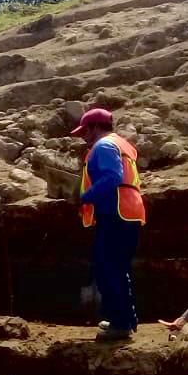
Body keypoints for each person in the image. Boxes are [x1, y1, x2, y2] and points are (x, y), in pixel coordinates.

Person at [72, 108, 146, 341]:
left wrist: (84, 197)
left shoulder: (103, 146)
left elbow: (112, 177)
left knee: (107, 269)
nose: (84, 136)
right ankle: (123, 319)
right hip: (128, 213)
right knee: (118, 268)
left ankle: (120, 324)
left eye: (85, 131)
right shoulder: (122, 145)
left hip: (116, 215)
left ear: (95, 127)